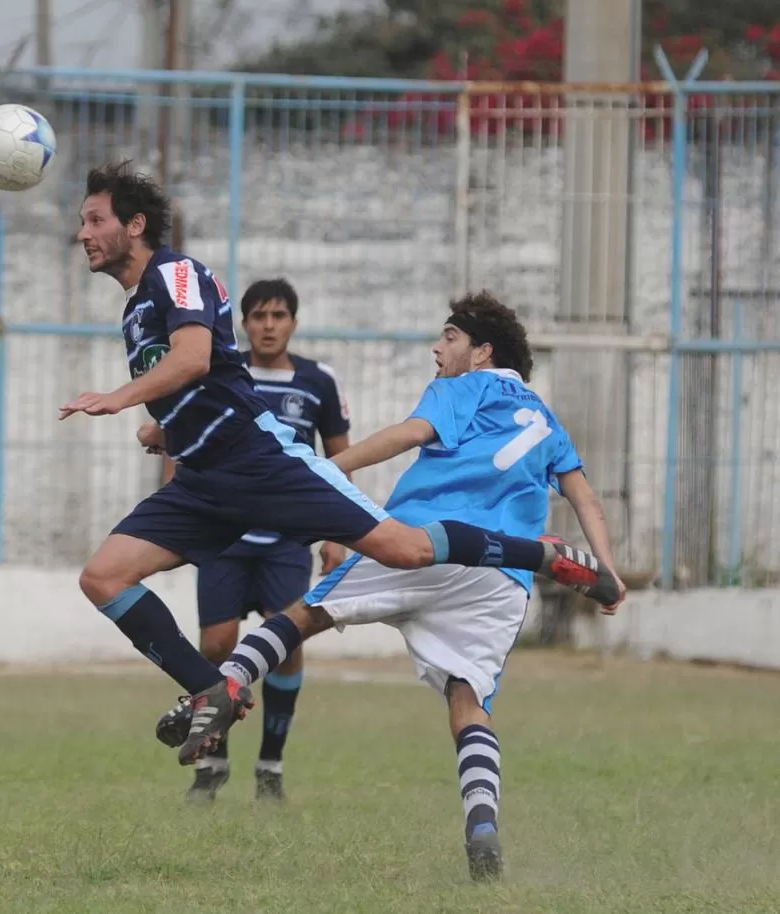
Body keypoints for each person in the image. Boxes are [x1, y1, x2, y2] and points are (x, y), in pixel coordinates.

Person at [60, 160, 622, 774]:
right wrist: (165, 427)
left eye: (96, 220)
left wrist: (122, 396)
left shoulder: (176, 272)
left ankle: (539, 554)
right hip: (201, 481)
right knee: (104, 578)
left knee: (403, 551)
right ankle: (213, 690)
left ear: (135, 224)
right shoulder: (136, 306)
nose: (82, 232)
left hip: (260, 461)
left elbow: (196, 357)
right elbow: (210, 376)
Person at [155, 292, 626, 882]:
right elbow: (584, 497)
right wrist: (607, 572)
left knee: (304, 615)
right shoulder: (548, 421)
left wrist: (326, 470)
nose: (438, 347)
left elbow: (408, 434)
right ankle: (482, 824)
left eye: (450, 337)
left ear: (482, 352)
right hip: (502, 578)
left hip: (426, 539)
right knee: (468, 701)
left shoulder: (465, 387)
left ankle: (223, 686)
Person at [161, 277, 353, 803]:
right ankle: (213, 762)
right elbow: (188, 444)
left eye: (279, 316)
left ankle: (270, 763)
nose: (269, 325)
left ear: (293, 322)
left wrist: (338, 533)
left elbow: (339, 459)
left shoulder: (318, 382)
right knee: (217, 646)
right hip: (224, 535)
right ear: (242, 323)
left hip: (288, 537)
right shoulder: (223, 373)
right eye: (259, 316)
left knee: (283, 642)